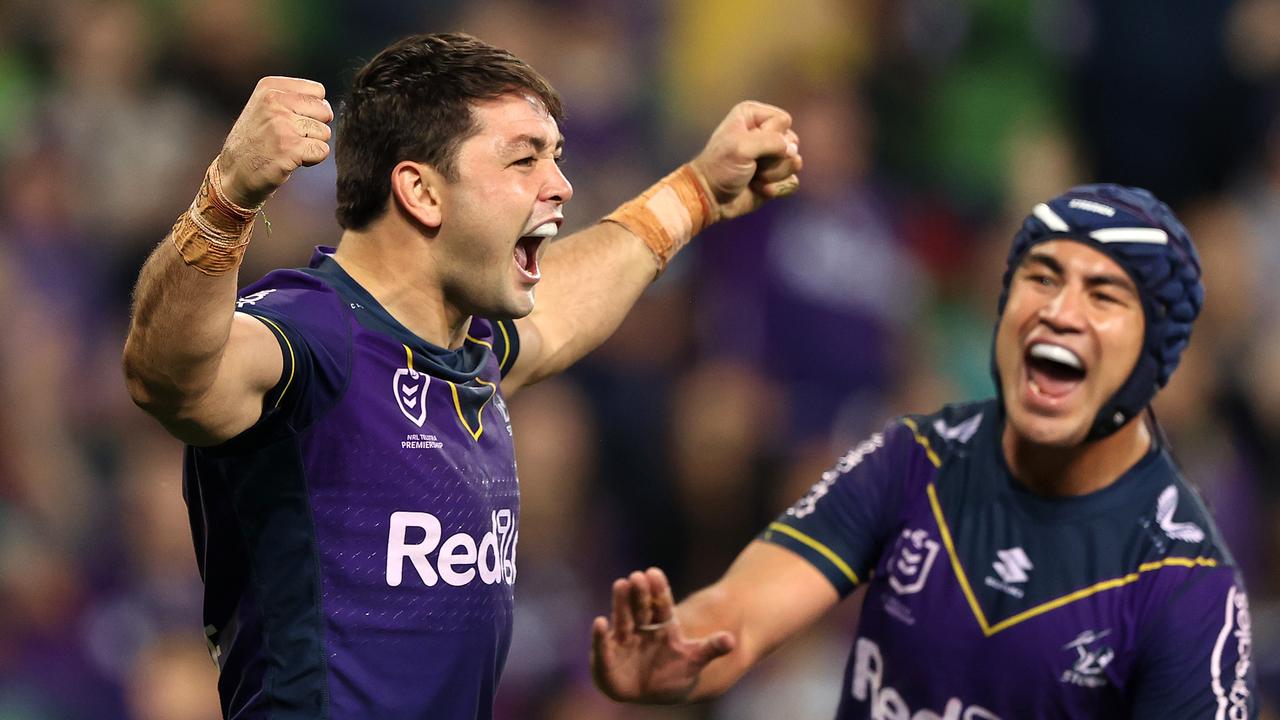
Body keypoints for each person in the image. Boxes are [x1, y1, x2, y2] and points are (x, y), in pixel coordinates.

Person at [121, 32, 801, 720]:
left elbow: (562, 310)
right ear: (420, 191)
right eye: (525, 159)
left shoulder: (463, 353)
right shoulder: (317, 335)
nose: (560, 185)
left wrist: (696, 193)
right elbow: (168, 375)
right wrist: (226, 200)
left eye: (556, 158)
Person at [590, 185, 1259, 719]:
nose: (1060, 311)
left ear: (1156, 354)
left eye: (1104, 294)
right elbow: (738, 616)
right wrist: (677, 648)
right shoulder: (916, 457)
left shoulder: (1185, 580)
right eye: (1042, 277)